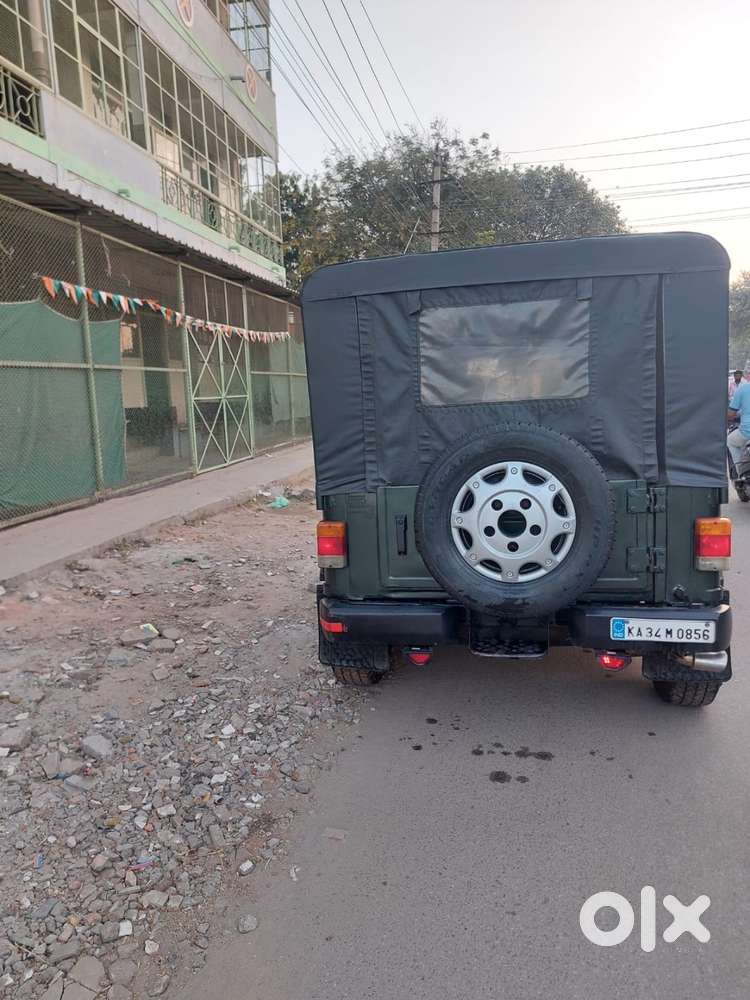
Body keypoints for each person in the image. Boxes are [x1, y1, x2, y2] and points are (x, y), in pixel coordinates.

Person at [727, 378, 750, 472]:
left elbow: (731, 414)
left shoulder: (743, 389)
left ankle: (741, 472)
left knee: (730, 441)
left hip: (747, 432)